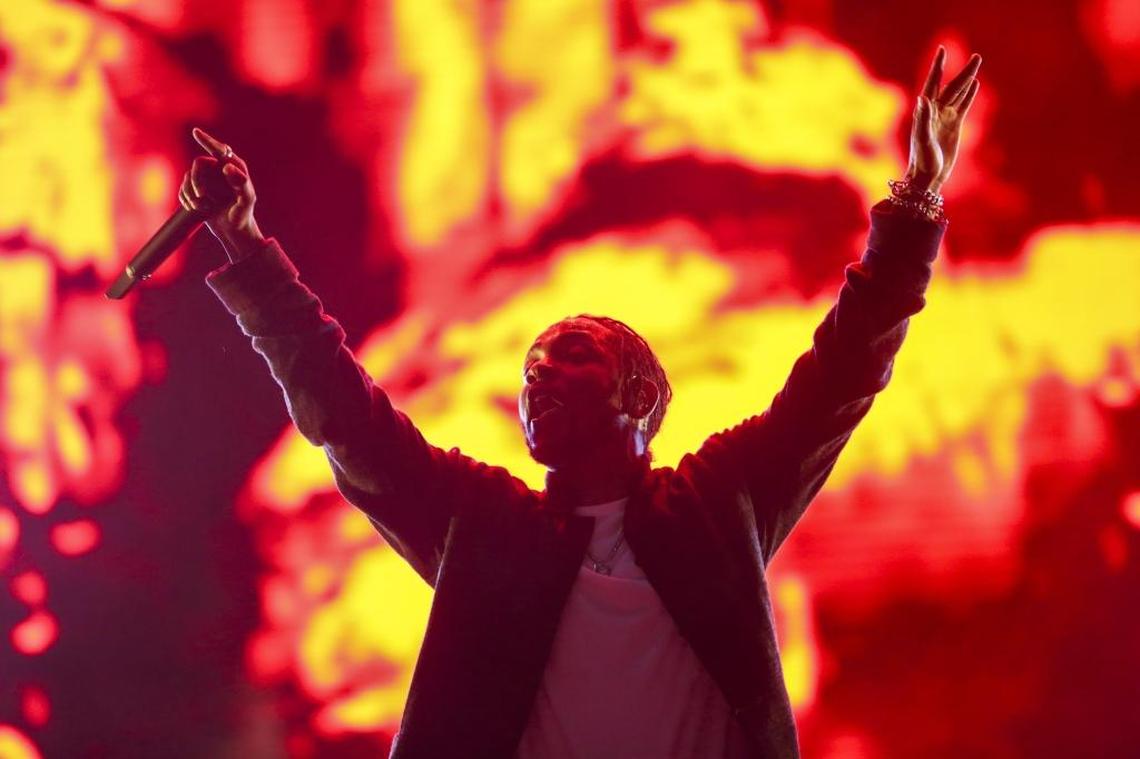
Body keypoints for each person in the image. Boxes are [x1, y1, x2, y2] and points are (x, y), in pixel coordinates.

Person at [182, 47, 981, 759]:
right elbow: (345, 414)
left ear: (639, 393)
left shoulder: (719, 503)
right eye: (532, 366)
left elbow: (840, 377)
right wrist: (247, 246)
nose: (537, 374)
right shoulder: (484, 525)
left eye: (570, 354)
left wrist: (915, 202)